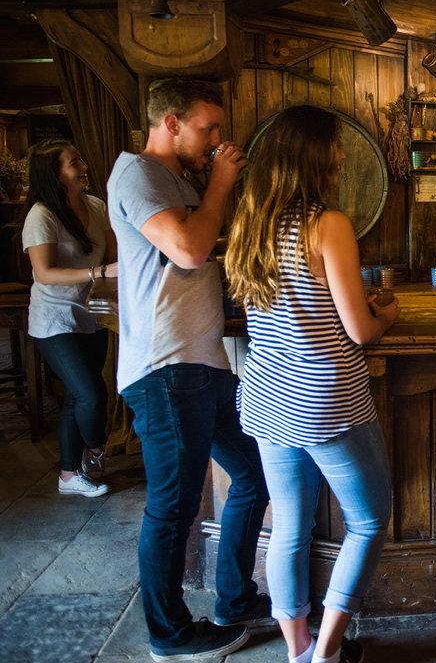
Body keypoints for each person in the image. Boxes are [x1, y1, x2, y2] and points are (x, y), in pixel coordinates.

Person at [224, 105, 399, 663]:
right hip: (325, 401)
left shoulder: (249, 224)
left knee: (290, 526)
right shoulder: (329, 224)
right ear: (311, 157)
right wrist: (387, 314)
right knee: (369, 520)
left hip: (266, 398)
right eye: (334, 149)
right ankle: (327, 651)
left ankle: (297, 648)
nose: (342, 158)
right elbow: (360, 330)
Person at [107, 78, 271, 662]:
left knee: (253, 472)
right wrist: (223, 183)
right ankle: (170, 637)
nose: (216, 142)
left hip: (199, 366)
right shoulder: (138, 174)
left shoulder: (174, 178)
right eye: (208, 129)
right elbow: (188, 250)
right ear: (170, 122)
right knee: (174, 508)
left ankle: (234, 600)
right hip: (166, 368)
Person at [21, 138, 118, 498]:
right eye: (74, 163)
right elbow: (44, 273)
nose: (84, 167)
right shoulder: (41, 215)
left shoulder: (95, 205)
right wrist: (99, 272)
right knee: (90, 395)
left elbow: (113, 250)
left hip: (91, 313)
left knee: (82, 396)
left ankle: (68, 476)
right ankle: (94, 453)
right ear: (55, 175)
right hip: (54, 319)